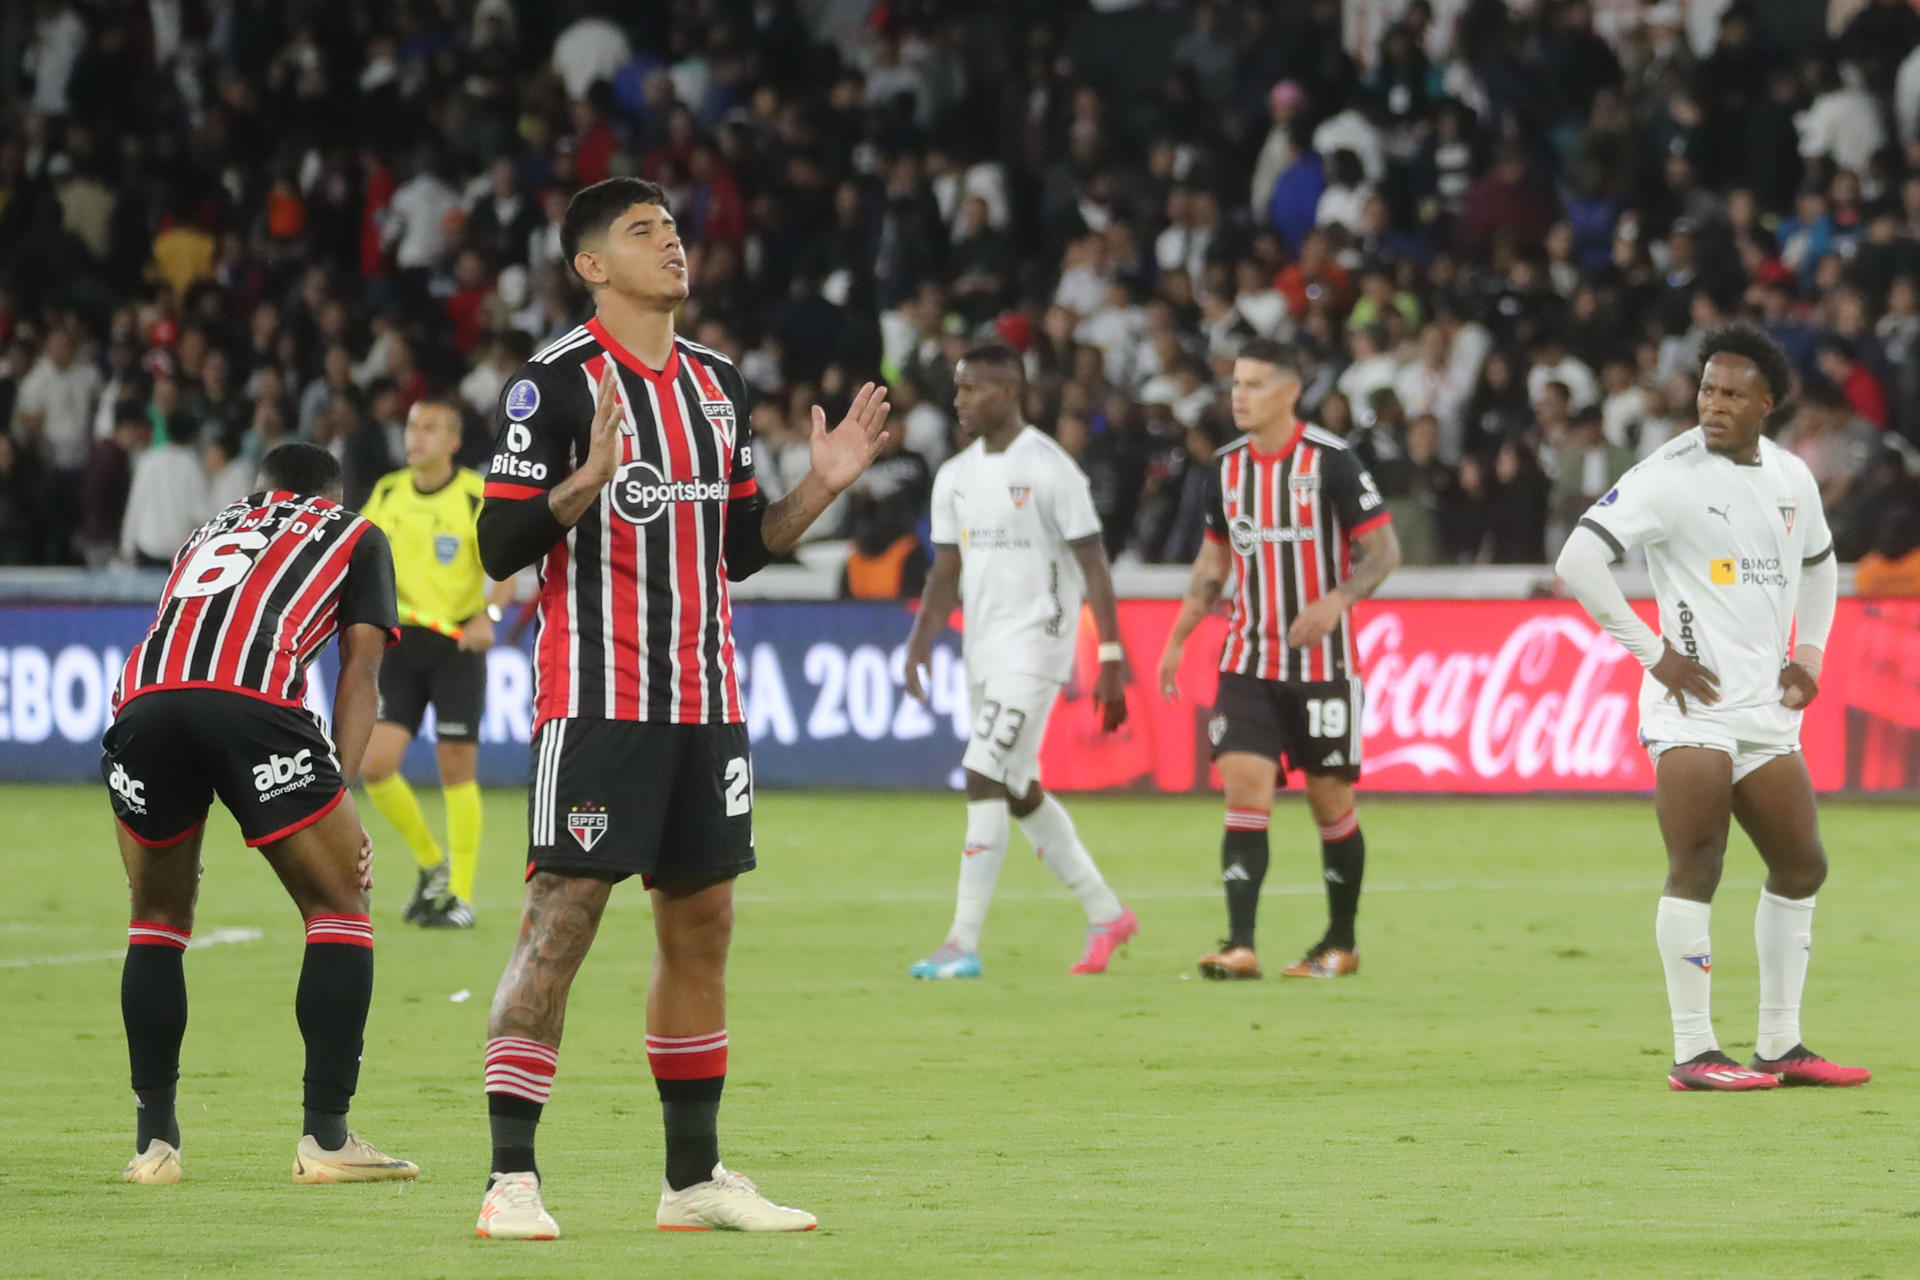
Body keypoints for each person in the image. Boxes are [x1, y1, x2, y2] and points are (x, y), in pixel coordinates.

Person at [470, 177, 890, 1240]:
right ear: (591, 267)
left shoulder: (717, 384)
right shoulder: (553, 385)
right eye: (643, 233)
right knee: (561, 917)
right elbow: (500, 544)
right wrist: (590, 477)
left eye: (675, 229)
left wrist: (825, 482)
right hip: (597, 698)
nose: (674, 245)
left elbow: (743, 546)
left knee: (702, 925)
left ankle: (692, 1177)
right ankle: (510, 1177)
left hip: (707, 699)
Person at [1555, 324, 1870, 1092]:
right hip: (1690, 709)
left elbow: (1822, 566)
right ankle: (1694, 1052)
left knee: (1802, 865)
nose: (1714, 405)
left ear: (1767, 403)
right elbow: (1577, 559)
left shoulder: (1792, 476)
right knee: (1697, 863)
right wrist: (1653, 653)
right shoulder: (1667, 475)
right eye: (1706, 390)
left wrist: (1812, 653)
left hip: (1764, 710)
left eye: (1732, 394)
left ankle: (1779, 1044)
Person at [102, 442, 416, 1185]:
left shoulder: (207, 530)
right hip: (249, 699)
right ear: (334, 494)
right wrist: (337, 785)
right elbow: (361, 668)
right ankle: (327, 1141)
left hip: (142, 703)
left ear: (259, 488)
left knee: (156, 916)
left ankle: (155, 1147)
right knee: (340, 902)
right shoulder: (354, 532)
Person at [1157, 339, 1402, 981]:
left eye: (1255, 384)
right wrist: (1179, 638)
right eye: (1236, 384)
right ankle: (1240, 943)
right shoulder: (1225, 469)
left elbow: (1383, 551)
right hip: (1247, 660)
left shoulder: (1333, 463)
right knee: (1244, 787)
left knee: (1329, 801)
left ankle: (1340, 942)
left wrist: (1337, 599)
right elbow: (1212, 567)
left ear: (1290, 393)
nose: (1239, 395)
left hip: (1324, 668)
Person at [901, 343, 1137, 980]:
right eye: (958, 388)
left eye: (973, 388)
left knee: (981, 770)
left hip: (1037, 648)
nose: (960, 401)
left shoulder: (1052, 468)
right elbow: (946, 568)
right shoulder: (953, 475)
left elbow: (1094, 564)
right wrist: (921, 640)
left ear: (1010, 390)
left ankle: (961, 941)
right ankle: (1106, 912)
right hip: (983, 649)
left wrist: (1111, 656)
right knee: (1015, 786)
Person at [357, 397, 517, 929]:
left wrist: (488, 614)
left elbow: (507, 566)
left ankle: (462, 897)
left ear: (452, 442)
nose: (415, 436)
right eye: (411, 426)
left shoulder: (475, 495)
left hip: (456, 649)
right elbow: (360, 556)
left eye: (429, 428)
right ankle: (432, 864)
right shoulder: (387, 493)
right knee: (375, 766)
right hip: (401, 645)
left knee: (456, 770)